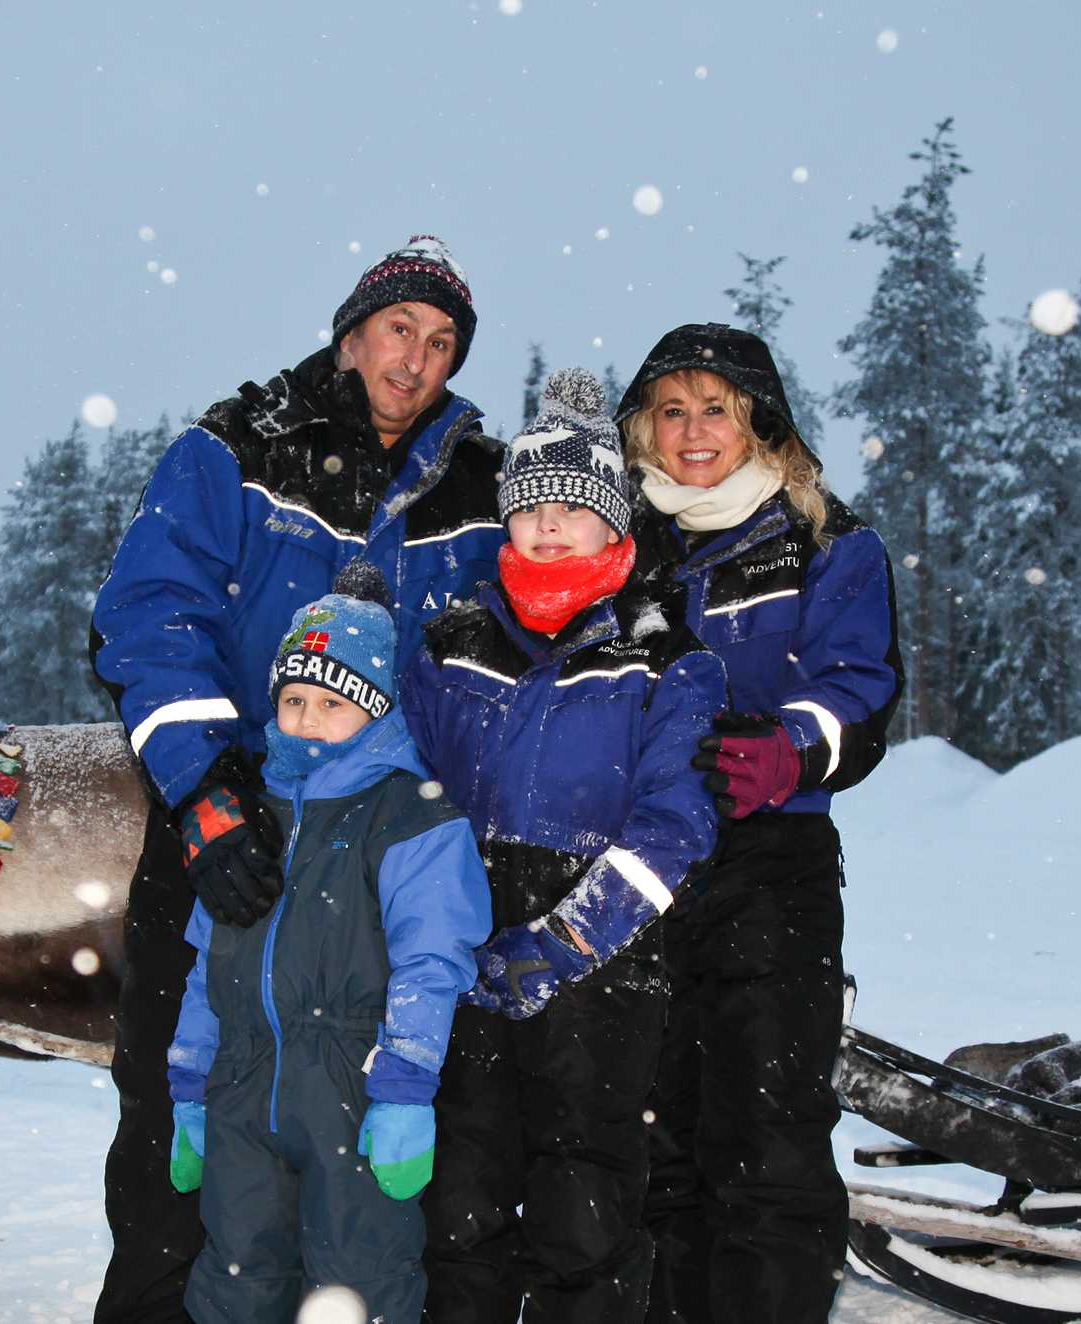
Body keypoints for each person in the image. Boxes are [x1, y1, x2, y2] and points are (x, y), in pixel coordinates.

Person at [89, 235, 507, 1323]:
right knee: (177, 1131)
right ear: (351, 331)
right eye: (399, 329)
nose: (414, 360)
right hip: (225, 830)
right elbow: (147, 615)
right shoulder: (235, 449)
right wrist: (206, 789)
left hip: (388, 852)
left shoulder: (479, 483)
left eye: (441, 342)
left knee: (391, 1153)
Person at [400, 369, 725, 1322]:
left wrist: (568, 941)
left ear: (613, 526)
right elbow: (396, 783)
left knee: (584, 1205)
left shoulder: (666, 660)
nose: (548, 525)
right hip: (458, 950)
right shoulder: (450, 643)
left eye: (572, 508)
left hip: (603, 970)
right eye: (530, 504)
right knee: (458, 1201)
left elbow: (676, 828)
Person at [613, 323, 905, 1324]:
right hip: (636, 864)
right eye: (672, 409)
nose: (693, 431)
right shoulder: (614, 538)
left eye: (716, 410)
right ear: (643, 426)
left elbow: (859, 690)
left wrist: (791, 744)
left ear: (756, 422)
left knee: (767, 1143)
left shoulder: (826, 538)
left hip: (767, 863)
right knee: (647, 1139)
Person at [165, 566, 492, 1324]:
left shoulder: (411, 817)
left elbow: (432, 961)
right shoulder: (248, 820)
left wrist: (405, 1086)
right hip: (242, 1089)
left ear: (374, 710)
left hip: (355, 1089)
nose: (306, 720)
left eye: (332, 704)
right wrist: (189, 1083)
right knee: (235, 1278)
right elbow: (203, 966)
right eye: (293, 700)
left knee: (359, 1282)